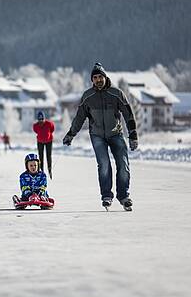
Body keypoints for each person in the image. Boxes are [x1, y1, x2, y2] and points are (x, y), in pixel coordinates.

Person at [62, 62, 138, 211]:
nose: (98, 80)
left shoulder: (117, 94)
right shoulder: (87, 96)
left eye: (100, 77)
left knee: (123, 165)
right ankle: (106, 196)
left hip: (116, 133)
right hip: (97, 136)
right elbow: (79, 118)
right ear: (92, 80)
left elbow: (128, 114)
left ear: (105, 77)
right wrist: (71, 134)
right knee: (104, 165)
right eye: (95, 77)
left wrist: (133, 135)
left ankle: (124, 196)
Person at [33, 110, 55, 179]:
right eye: (39, 119)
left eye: (42, 119)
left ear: (44, 118)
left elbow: (52, 129)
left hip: (49, 141)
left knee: (49, 156)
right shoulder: (35, 125)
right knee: (40, 156)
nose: (41, 121)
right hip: (40, 142)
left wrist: (47, 135)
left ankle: (49, 170)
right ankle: (41, 171)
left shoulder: (49, 123)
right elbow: (36, 131)